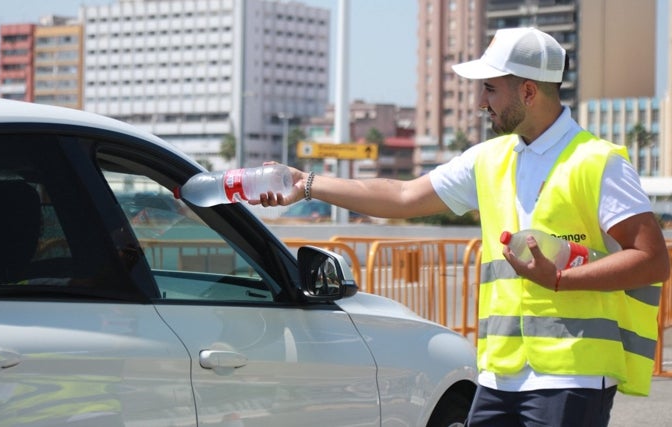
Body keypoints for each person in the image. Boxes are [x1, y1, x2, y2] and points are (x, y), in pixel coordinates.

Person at [254, 27, 670, 426]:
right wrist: (306, 184)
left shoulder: (598, 162)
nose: (480, 102)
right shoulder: (488, 159)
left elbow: (652, 261)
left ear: (528, 91)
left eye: (490, 89)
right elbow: (401, 197)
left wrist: (559, 279)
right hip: (499, 375)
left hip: (572, 376)